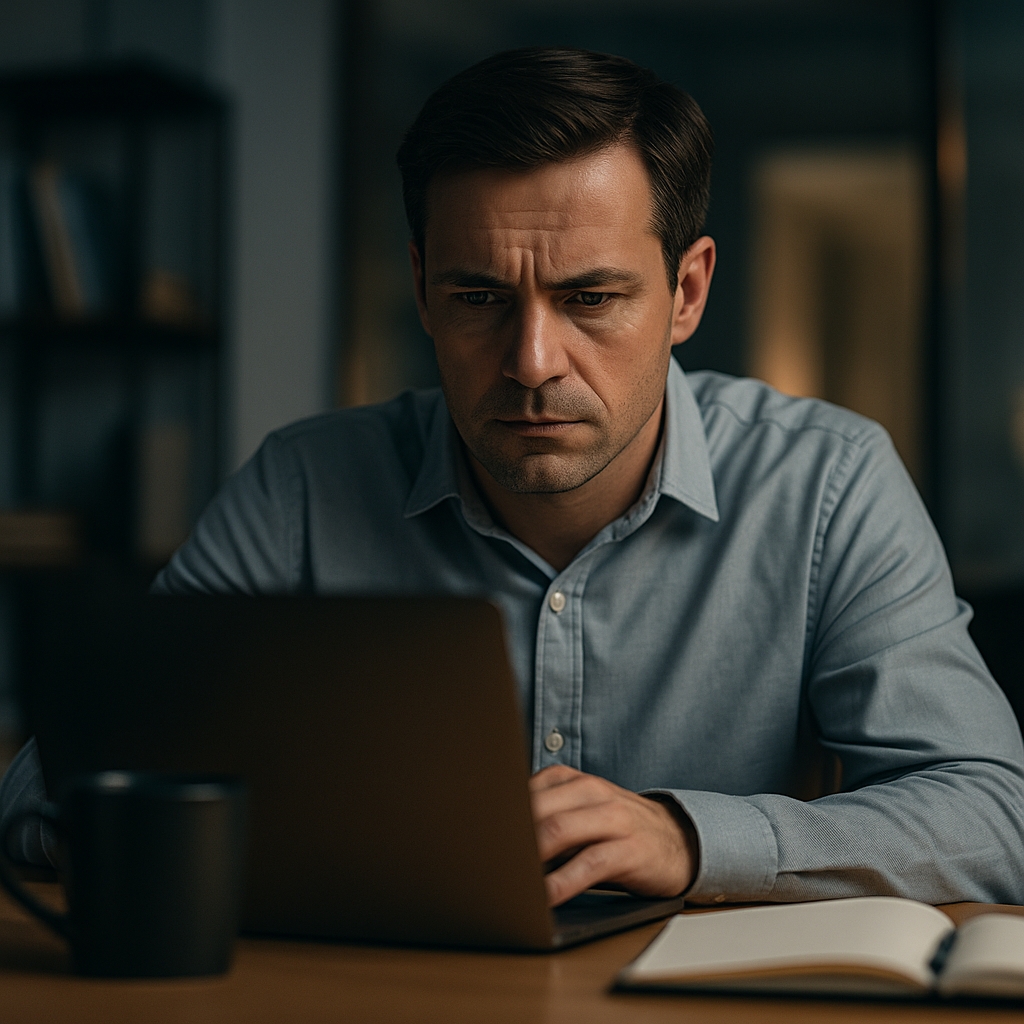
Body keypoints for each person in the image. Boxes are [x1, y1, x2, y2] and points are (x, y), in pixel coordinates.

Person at [4, 47, 1024, 907]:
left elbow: (990, 813)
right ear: (421, 291)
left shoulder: (828, 482)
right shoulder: (302, 487)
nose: (531, 360)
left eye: (590, 298)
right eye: (480, 295)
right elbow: (50, 788)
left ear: (687, 292)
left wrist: (685, 838)